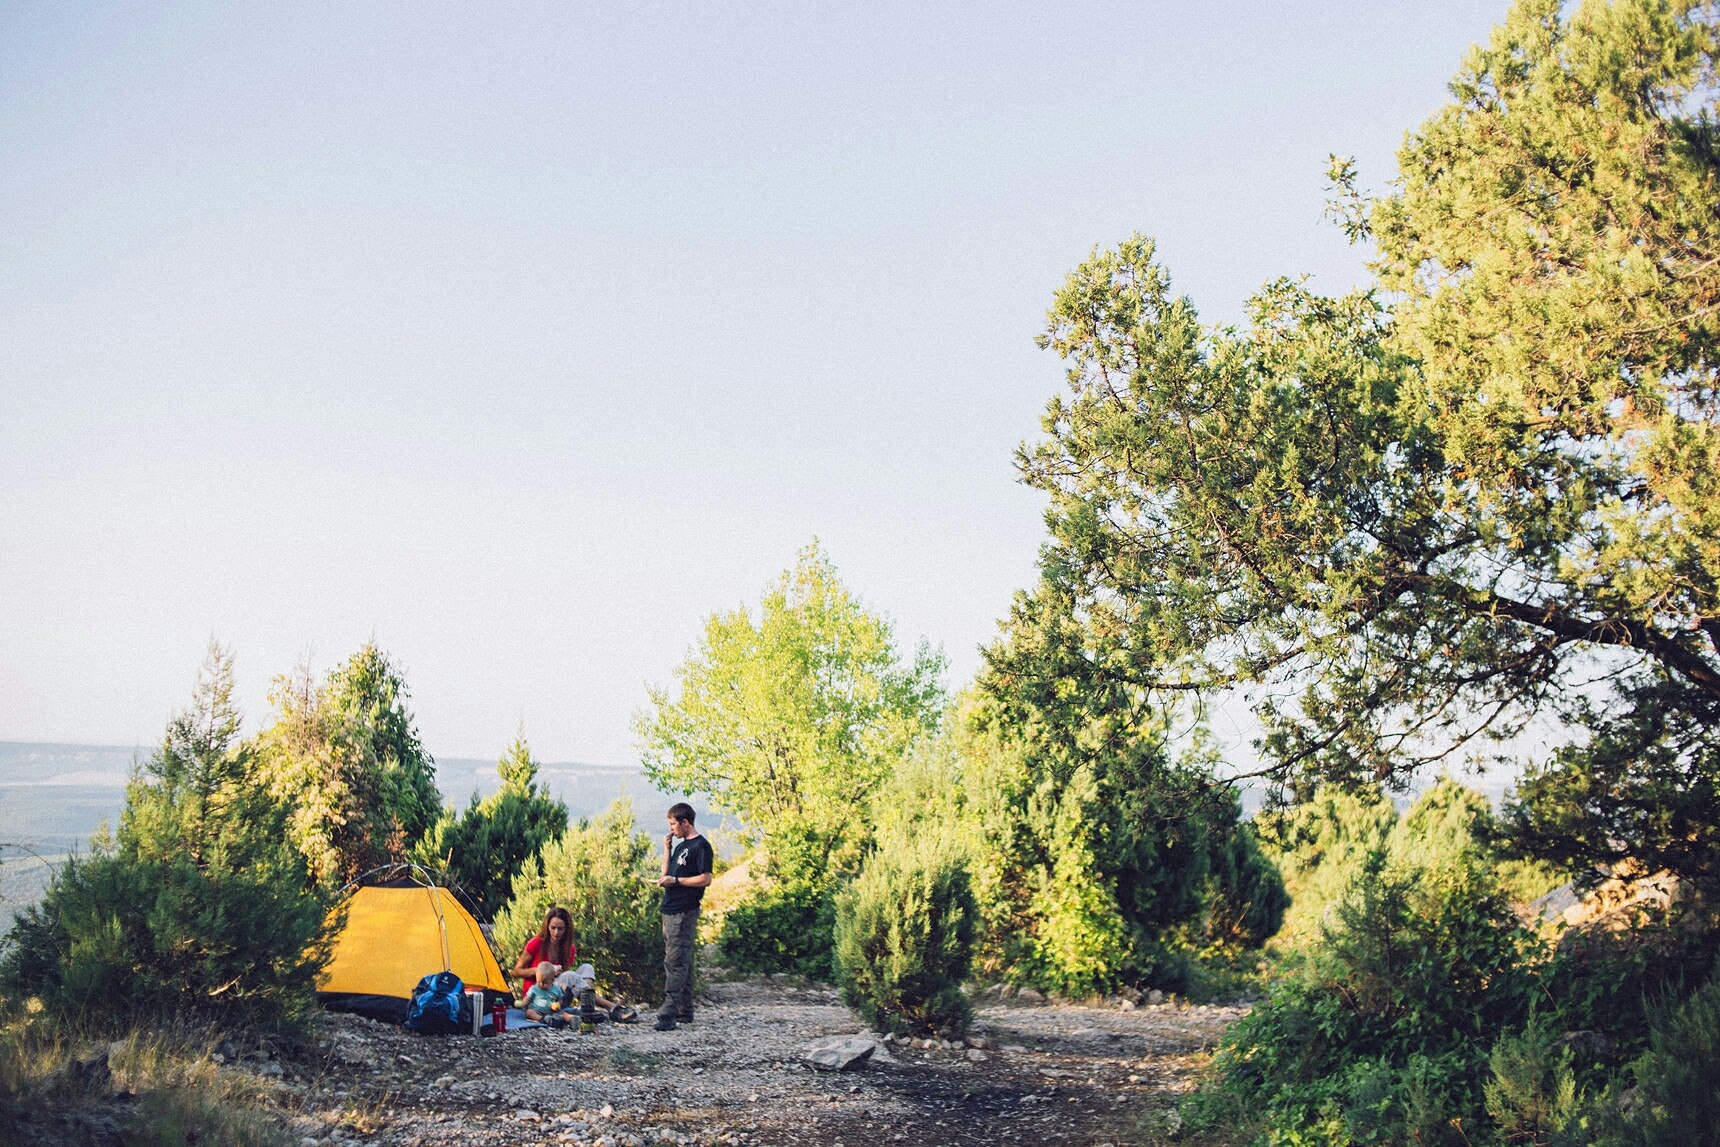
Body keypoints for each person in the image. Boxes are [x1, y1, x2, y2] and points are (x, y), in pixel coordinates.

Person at [512, 905, 637, 1023]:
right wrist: (541, 971)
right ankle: (611, 1007)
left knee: (587, 968)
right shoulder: (536, 944)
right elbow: (516, 972)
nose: (556, 932)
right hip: (538, 994)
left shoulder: (569, 948)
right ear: (547, 927)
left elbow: (567, 978)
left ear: (566, 930)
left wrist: (557, 974)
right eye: (553, 928)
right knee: (571, 976)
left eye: (560, 929)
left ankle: (587, 1007)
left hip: (555, 993)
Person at [654, 802, 714, 1031]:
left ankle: (668, 1012)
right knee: (681, 960)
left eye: (673, 824)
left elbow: (706, 878)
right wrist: (667, 849)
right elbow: (665, 875)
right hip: (670, 909)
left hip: (684, 910)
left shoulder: (701, 846)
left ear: (685, 822)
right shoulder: (680, 846)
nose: (671, 829)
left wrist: (677, 882)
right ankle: (684, 1010)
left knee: (675, 961)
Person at [521, 961, 571, 1026]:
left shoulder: (556, 989)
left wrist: (558, 1004)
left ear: (552, 980)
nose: (541, 984)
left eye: (545, 983)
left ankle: (571, 1019)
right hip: (537, 1011)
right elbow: (527, 998)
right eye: (538, 981)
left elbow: (560, 998)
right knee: (529, 1012)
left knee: (563, 1013)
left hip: (551, 1011)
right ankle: (543, 1019)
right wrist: (522, 1004)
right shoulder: (534, 988)